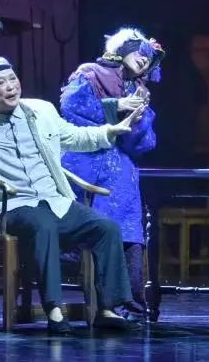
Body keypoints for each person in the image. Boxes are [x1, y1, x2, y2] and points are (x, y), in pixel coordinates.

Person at [0, 57, 146, 334]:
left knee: (106, 227)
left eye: (12, 79)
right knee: (42, 224)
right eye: (0, 83)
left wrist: (111, 130)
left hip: (54, 200)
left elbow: (75, 137)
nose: (10, 86)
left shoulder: (42, 110)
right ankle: (55, 310)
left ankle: (107, 309)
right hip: (10, 205)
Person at [59, 28, 164, 319]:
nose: (144, 60)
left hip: (120, 170)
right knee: (85, 226)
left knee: (129, 231)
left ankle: (131, 304)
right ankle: (86, 293)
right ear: (123, 49)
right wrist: (115, 106)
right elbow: (70, 109)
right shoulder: (90, 74)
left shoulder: (139, 92)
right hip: (85, 160)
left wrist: (137, 120)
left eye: (149, 59)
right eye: (140, 53)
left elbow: (144, 143)